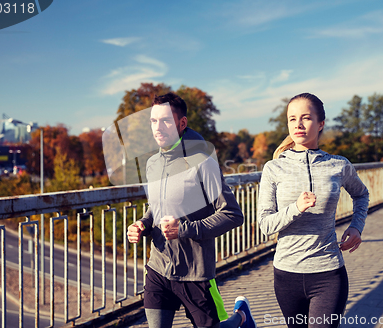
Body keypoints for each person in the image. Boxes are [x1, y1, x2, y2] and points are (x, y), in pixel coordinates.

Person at [127, 93, 256, 328]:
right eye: (153, 121)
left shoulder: (202, 160)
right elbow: (155, 208)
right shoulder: (152, 164)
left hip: (195, 273)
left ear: (182, 123)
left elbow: (233, 214)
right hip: (158, 267)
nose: (158, 127)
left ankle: (242, 317)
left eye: (165, 120)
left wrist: (184, 229)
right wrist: (142, 225)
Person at [258, 93, 369, 328]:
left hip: (328, 273)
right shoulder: (274, 168)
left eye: (305, 118)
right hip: (286, 275)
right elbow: (266, 226)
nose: (297, 125)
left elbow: (361, 194)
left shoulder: (339, 165)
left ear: (320, 124)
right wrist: (296, 208)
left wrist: (356, 226)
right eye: (292, 119)